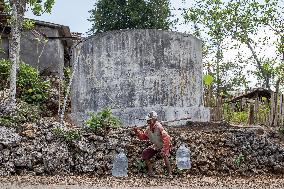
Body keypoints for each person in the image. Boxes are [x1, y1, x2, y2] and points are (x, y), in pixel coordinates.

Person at [133, 111, 172, 177]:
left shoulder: (159, 127)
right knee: (145, 153)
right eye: (147, 120)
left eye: (149, 120)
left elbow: (167, 138)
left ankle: (170, 174)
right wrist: (137, 131)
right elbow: (142, 137)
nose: (148, 122)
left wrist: (165, 149)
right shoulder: (148, 129)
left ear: (154, 119)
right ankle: (151, 172)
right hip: (156, 145)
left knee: (164, 155)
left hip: (164, 145)